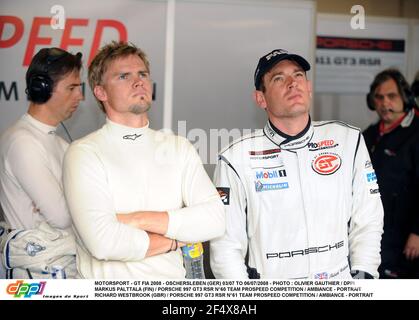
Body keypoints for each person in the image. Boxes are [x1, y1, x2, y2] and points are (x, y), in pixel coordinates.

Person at [210, 49, 384, 279]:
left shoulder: (348, 140)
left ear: (309, 87)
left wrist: (365, 273)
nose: (292, 83)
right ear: (260, 98)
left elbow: (368, 217)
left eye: (298, 75)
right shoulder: (235, 158)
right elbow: (225, 245)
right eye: (278, 78)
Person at [62, 41, 225, 279]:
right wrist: (176, 239)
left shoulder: (178, 147)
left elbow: (215, 220)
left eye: (142, 74)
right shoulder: (84, 152)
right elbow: (104, 243)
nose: (138, 81)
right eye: (123, 76)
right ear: (101, 92)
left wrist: (136, 219)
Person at [0, 47, 83, 278]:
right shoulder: (21, 141)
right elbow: (62, 216)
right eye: (72, 87)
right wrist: (73, 199)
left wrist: (66, 199)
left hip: (63, 268)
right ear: (42, 89)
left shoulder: (62, 144)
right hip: (34, 276)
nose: (80, 96)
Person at [363, 69, 419, 278]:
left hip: (406, 236)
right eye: (379, 97)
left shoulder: (416, 133)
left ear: (405, 98)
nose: (385, 103)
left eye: (392, 96)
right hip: (377, 231)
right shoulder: (370, 134)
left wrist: (417, 233)